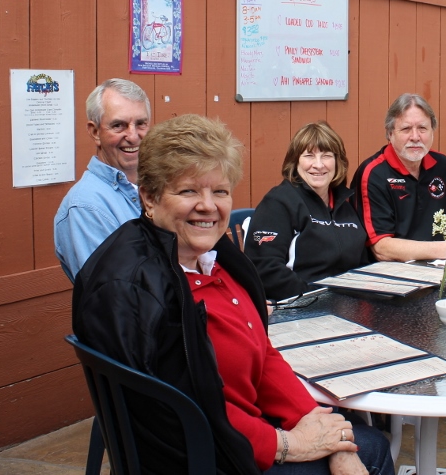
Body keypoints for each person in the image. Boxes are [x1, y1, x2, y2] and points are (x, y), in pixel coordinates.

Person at [72, 115, 392, 475]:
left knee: (358, 441)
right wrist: (287, 444)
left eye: (220, 191)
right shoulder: (139, 288)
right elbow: (185, 408)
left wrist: (321, 427)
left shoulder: (213, 260)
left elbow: (263, 356)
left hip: (238, 432)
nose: (208, 206)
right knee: (373, 449)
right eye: (189, 191)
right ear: (149, 196)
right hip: (207, 458)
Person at [245, 122, 368, 301]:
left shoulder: (345, 203)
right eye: (309, 156)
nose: (318, 165)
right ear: (295, 162)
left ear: (337, 162)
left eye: (326, 156)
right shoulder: (278, 203)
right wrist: (313, 298)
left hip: (347, 303)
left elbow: (362, 262)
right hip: (298, 306)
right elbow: (265, 269)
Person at [352, 93, 446, 262]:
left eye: (422, 128)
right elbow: (381, 248)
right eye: (406, 129)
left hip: (440, 268)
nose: (415, 136)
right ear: (390, 133)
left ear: (432, 131)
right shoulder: (373, 173)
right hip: (391, 275)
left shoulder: (443, 166)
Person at [54, 78, 151, 281]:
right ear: (95, 132)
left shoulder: (157, 185)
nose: (133, 136)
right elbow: (116, 295)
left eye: (141, 124)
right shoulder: (86, 206)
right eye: (119, 126)